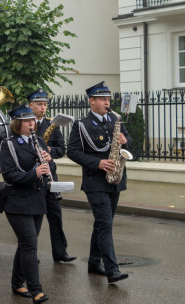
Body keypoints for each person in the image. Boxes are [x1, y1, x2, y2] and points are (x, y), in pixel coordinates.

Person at [67, 81, 131, 284]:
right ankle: (112, 270)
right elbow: (73, 152)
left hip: (115, 179)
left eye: (108, 99)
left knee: (103, 223)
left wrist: (124, 141)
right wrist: (98, 163)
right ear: (91, 101)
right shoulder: (81, 125)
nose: (107, 102)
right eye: (103, 99)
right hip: (95, 181)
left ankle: (94, 263)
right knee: (105, 224)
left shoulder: (115, 119)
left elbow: (130, 143)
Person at [0, 103, 51, 304]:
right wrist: (33, 173)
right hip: (17, 202)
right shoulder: (8, 144)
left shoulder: (38, 141)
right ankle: (36, 290)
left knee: (25, 244)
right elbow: (9, 175)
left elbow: (49, 166)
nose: (32, 123)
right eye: (28, 121)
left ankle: (17, 283)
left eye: (32, 120)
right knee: (30, 244)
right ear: (18, 123)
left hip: (37, 199)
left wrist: (49, 159)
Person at [28, 88, 76, 263]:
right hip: (33, 175)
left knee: (55, 213)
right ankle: (31, 252)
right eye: (39, 104)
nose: (43, 107)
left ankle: (60, 252)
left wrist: (50, 151)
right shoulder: (25, 123)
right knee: (35, 216)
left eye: (45, 104)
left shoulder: (52, 124)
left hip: (50, 175)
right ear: (30, 105)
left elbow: (61, 149)